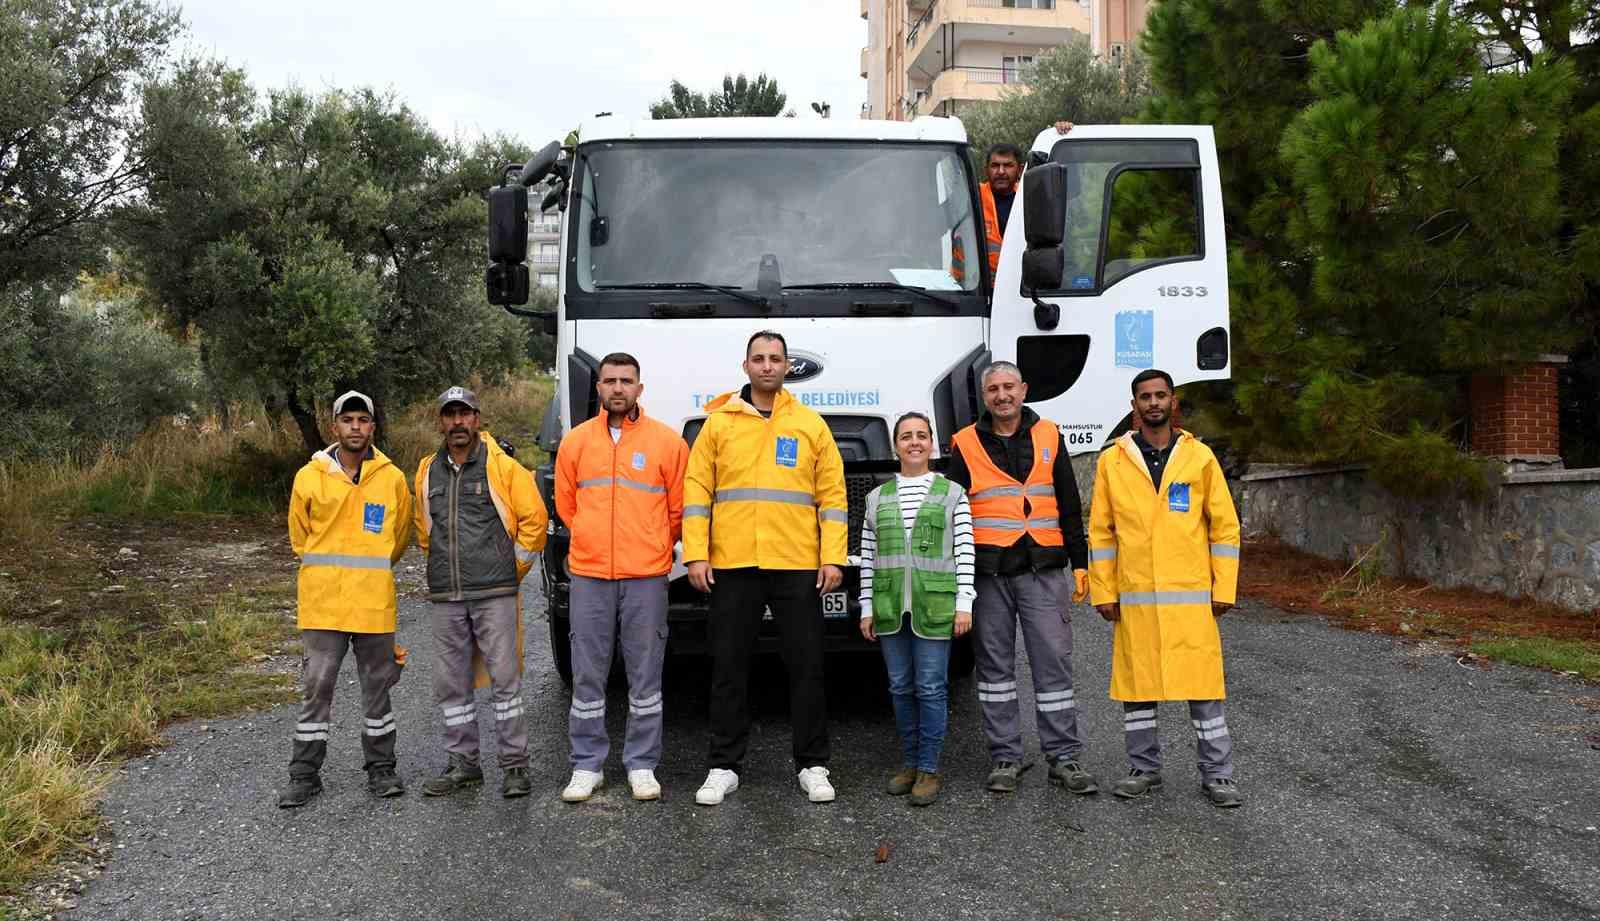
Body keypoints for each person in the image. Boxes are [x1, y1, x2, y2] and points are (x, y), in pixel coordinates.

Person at [684, 330, 848, 806]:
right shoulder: (719, 425)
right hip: (733, 564)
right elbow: (697, 492)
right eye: (759, 358)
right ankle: (723, 766)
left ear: (786, 367)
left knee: (807, 667)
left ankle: (813, 765)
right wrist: (696, 553)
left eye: (776, 359)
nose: (768, 366)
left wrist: (832, 557)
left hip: (797, 562)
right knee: (729, 668)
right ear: (746, 366)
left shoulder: (809, 425)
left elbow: (832, 497)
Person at [1087, 369, 1243, 807]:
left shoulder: (1199, 458)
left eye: (1160, 395)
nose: (1152, 403)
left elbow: (1225, 528)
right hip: (1135, 596)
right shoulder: (1112, 461)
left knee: (1203, 689)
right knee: (1139, 689)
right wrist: (1104, 590)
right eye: (1144, 397)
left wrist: (1223, 586)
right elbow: (1101, 532)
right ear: (1133, 404)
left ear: (1173, 402)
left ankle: (1219, 775)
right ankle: (1144, 769)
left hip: (1191, 597)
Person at [946, 361, 1096, 795]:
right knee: (994, 672)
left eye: (1009, 386)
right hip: (989, 574)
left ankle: (1063, 757)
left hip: (1043, 570)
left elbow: (1069, 502)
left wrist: (1080, 561)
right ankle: (1005, 758)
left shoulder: (1049, 435)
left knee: (1053, 664)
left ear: (1023, 389)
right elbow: (956, 515)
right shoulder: (965, 443)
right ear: (984, 396)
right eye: (993, 389)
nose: (1002, 395)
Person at [553, 353, 688, 803]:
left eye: (625, 381)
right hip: (591, 574)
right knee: (588, 675)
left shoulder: (667, 443)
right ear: (598, 388)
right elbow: (567, 506)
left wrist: (651, 545)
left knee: (645, 674)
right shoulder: (575, 443)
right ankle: (586, 764)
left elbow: (677, 511)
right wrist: (593, 541)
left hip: (646, 576)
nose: (617, 388)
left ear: (639, 388)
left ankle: (642, 763)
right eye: (609, 380)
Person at [278, 390, 414, 808]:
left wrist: (366, 570)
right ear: (334, 425)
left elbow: (400, 537)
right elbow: (300, 538)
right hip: (323, 605)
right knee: (317, 687)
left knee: (378, 688)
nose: (356, 427)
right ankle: (304, 774)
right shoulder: (309, 477)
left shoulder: (391, 478)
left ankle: (381, 768)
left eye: (363, 420)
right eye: (348, 420)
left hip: (373, 604)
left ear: (373, 427)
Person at [411, 386, 548, 799]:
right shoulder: (425, 470)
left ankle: (514, 766)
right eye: (450, 415)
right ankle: (463, 764)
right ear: (441, 421)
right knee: (452, 684)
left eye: (464, 414)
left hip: (495, 593)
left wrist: (513, 568)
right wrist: (442, 569)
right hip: (447, 596)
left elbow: (535, 521)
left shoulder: (501, 467)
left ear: (477, 418)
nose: (458, 422)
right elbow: (424, 531)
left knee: (505, 682)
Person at [858, 412, 976, 806]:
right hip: (890, 607)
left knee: (930, 687)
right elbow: (869, 557)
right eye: (906, 436)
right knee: (899, 687)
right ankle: (909, 763)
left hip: (936, 606)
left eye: (921, 436)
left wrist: (964, 605)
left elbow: (964, 552)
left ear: (932, 444)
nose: (914, 442)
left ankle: (928, 769)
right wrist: (865, 608)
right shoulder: (877, 498)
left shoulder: (953, 493)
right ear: (895, 446)